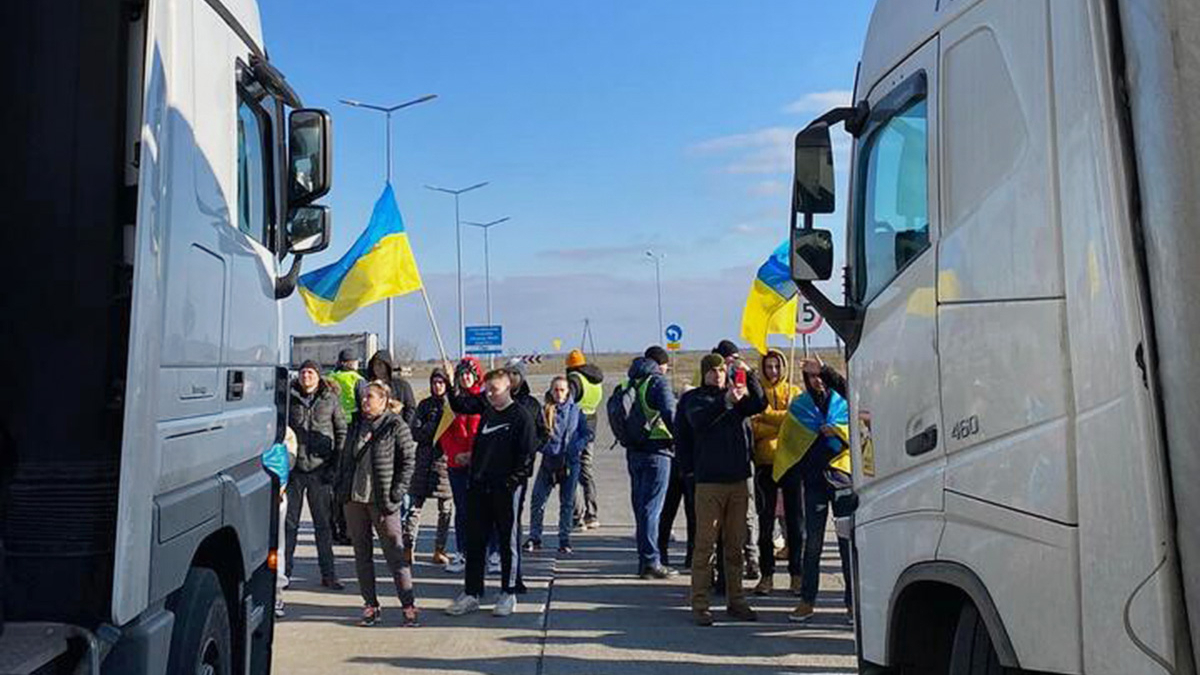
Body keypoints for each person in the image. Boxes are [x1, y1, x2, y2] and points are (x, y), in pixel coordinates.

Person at [676, 353, 767, 626]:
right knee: (705, 547)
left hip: (738, 480)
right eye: (713, 371)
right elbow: (699, 421)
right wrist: (726, 401)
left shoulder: (736, 398)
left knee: (735, 546)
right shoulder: (695, 399)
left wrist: (748, 373)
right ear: (704, 373)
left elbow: (760, 403)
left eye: (722, 370)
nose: (718, 375)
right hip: (709, 483)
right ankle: (700, 603)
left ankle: (736, 600)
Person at [445, 369, 538, 618]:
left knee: (507, 541)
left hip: (506, 490)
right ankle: (472, 593)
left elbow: (527, 457)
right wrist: (471, 459)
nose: (489, 395)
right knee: (475, 542)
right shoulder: (487, 413)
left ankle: (508, 593)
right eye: (487, 390)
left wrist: (511, 483)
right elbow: (483, 445)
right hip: (479, 487)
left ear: (507, 388)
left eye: (494, 390)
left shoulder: (521, 416)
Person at [336, 380, 419, 627]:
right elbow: (344, 459)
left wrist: (397, 492)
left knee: (395, 556)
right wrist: (340, 487)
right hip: (355, 499)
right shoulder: (354, 425)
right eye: (363, 397)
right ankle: (370, 605)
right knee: (362, 556)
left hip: (382, 501)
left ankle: (408, 605)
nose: (365, 401)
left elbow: (408, 461)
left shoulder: (395, 425)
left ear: (384, 401)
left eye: (370, 397)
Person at [788, 358, 853, 623]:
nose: (816, 381)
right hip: (814, 482)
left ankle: (852, 603)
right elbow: (791, 443)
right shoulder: (800, 406)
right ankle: (807, 600)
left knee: (847, 546)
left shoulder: (842, 401)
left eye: (819, 377)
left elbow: (855, 427)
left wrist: (836, 431)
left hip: (842, 480)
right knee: (812, 544)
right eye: (811, 377)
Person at [284, 360, 346, 590]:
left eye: (310, 372)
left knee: (323, 526)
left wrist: (335, 467)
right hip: (295, 472)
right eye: (303, 372)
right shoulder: (289, 398)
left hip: (321, 472)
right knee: (289, 526)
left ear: (318, 376)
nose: (306, 376)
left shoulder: (330, 399)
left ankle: (329, 574)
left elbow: (341, 432)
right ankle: (285, 574)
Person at [621, 346, 678, 579]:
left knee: (641, 507)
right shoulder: (657, 382)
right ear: (660, 364)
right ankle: (652, 561)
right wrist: (682, 441)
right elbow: (670, 414)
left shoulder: (631, 382)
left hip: (634, 450)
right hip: (658, 451)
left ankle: (643, 560)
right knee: (652, 509)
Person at [749, 348, 803, 596]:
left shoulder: (794, 392)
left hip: (791, 462)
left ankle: (797, 574)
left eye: (777, 366)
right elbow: (753, 428)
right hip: (765, 464)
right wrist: (781, 421)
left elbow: (798, 424)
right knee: (766, 521)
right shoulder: (756, 393)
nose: (773, 371)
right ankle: (767, 575)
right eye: (768, 366)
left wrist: (768, 417)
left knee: (795, 522)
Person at [526, 376, 593, 554]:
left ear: (568, 392)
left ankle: (564, 539)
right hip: (549, 462)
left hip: (569, 463)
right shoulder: (545, 410)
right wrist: (544, 447)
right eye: (555, 390)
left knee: (567, 503)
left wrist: (576, 447)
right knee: (538, 500)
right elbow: (536, 434)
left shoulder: (576, 411)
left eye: (562, 390)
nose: (559, 393)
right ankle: (535, 537)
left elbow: (587, 434)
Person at [405, 368, 455, 566]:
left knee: (445, 511)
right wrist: (431, 427)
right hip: (424, 461)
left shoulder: (453, 406)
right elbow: (415, 432)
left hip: (445, 463)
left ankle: (439, 549)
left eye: (441, 382)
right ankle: (408, 547)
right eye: (434, 382)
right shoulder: (425, 405)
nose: (437, 386)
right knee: (414, 508)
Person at [440, 357, 483, 574]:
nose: (465, 377)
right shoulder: (453, 402)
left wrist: (473, 455)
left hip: (479, 466)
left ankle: (487, 553)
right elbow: (445, 435)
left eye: (469, 373)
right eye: (462, 374)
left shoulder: (484, 400)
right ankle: (462, 552)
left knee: (483, 511)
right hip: (457, 466)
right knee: (463, 511)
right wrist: (456, 455)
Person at [326, 349, 365, 546]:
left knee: (333, 482)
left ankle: (332, 527)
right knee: (347, 482)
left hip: (329, 431)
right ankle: (346, 530)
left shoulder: (329, 377)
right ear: (350, 363)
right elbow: (365, 406)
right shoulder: (356, 379)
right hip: (351, 432)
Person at [565, 349, 604, 530]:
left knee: (571, 471)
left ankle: (577, 516)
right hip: (591, 429)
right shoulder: (595, 380)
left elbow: (567, 404)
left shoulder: (574, 379)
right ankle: (592, 514)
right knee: (586, 471)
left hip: (574, 430)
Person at [366, 350, 417, 426]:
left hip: (397, 428)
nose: (377, 368)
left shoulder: (402, 385)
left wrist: (405, 427)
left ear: (387, 366)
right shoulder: (369, 386)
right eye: (375, 365)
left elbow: (411, 409)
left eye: (380, 364)